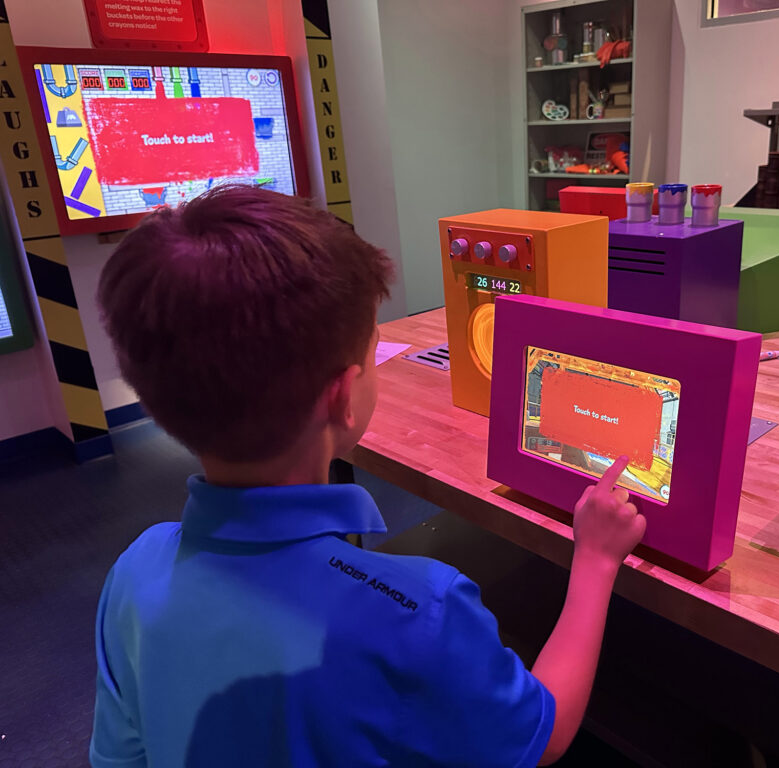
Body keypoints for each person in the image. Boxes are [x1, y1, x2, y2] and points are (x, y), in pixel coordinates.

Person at [91, 185, 646, 767]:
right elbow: (546, 732)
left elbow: (120, 758)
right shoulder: (420, 610)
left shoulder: (133, 574)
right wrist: (596, 560)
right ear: (342, 399)